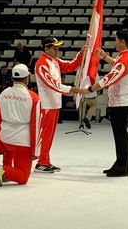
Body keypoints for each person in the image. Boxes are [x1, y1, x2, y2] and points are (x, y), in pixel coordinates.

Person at [88, 29, 128, 177]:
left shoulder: (126, 59)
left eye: (116, 40)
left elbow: (110, 77)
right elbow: (117, 65)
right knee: (119, 134)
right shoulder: (125, 57)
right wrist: (104, 57)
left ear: (122, 41)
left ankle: (122, 166)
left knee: (121, 134)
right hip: (119, 102)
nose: (115, 42)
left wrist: (92, 88)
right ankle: (120, 163)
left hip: (122, 103)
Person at [33, 36, 85, 173]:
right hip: (47, 105)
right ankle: (41, 162)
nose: (57, 50)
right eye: (54, 48)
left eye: (57, 47)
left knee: (49, 135)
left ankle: (45, 161)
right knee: (46, 135)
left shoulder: (54, 61)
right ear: (46, 49)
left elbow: (70, 65)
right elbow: (52, 84)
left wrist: (81, 54)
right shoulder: (41, 64)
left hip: (54, 103)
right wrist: (70, 89)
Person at [0, 64, 41, 187]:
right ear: (27, 78)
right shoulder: (33, 97)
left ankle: (5, 172)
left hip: (6, 138)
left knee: (9, 150)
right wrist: (35, 151)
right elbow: (36, 125)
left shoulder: (3, 94)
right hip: (22, 141)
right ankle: (2, 170)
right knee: (23, 177)